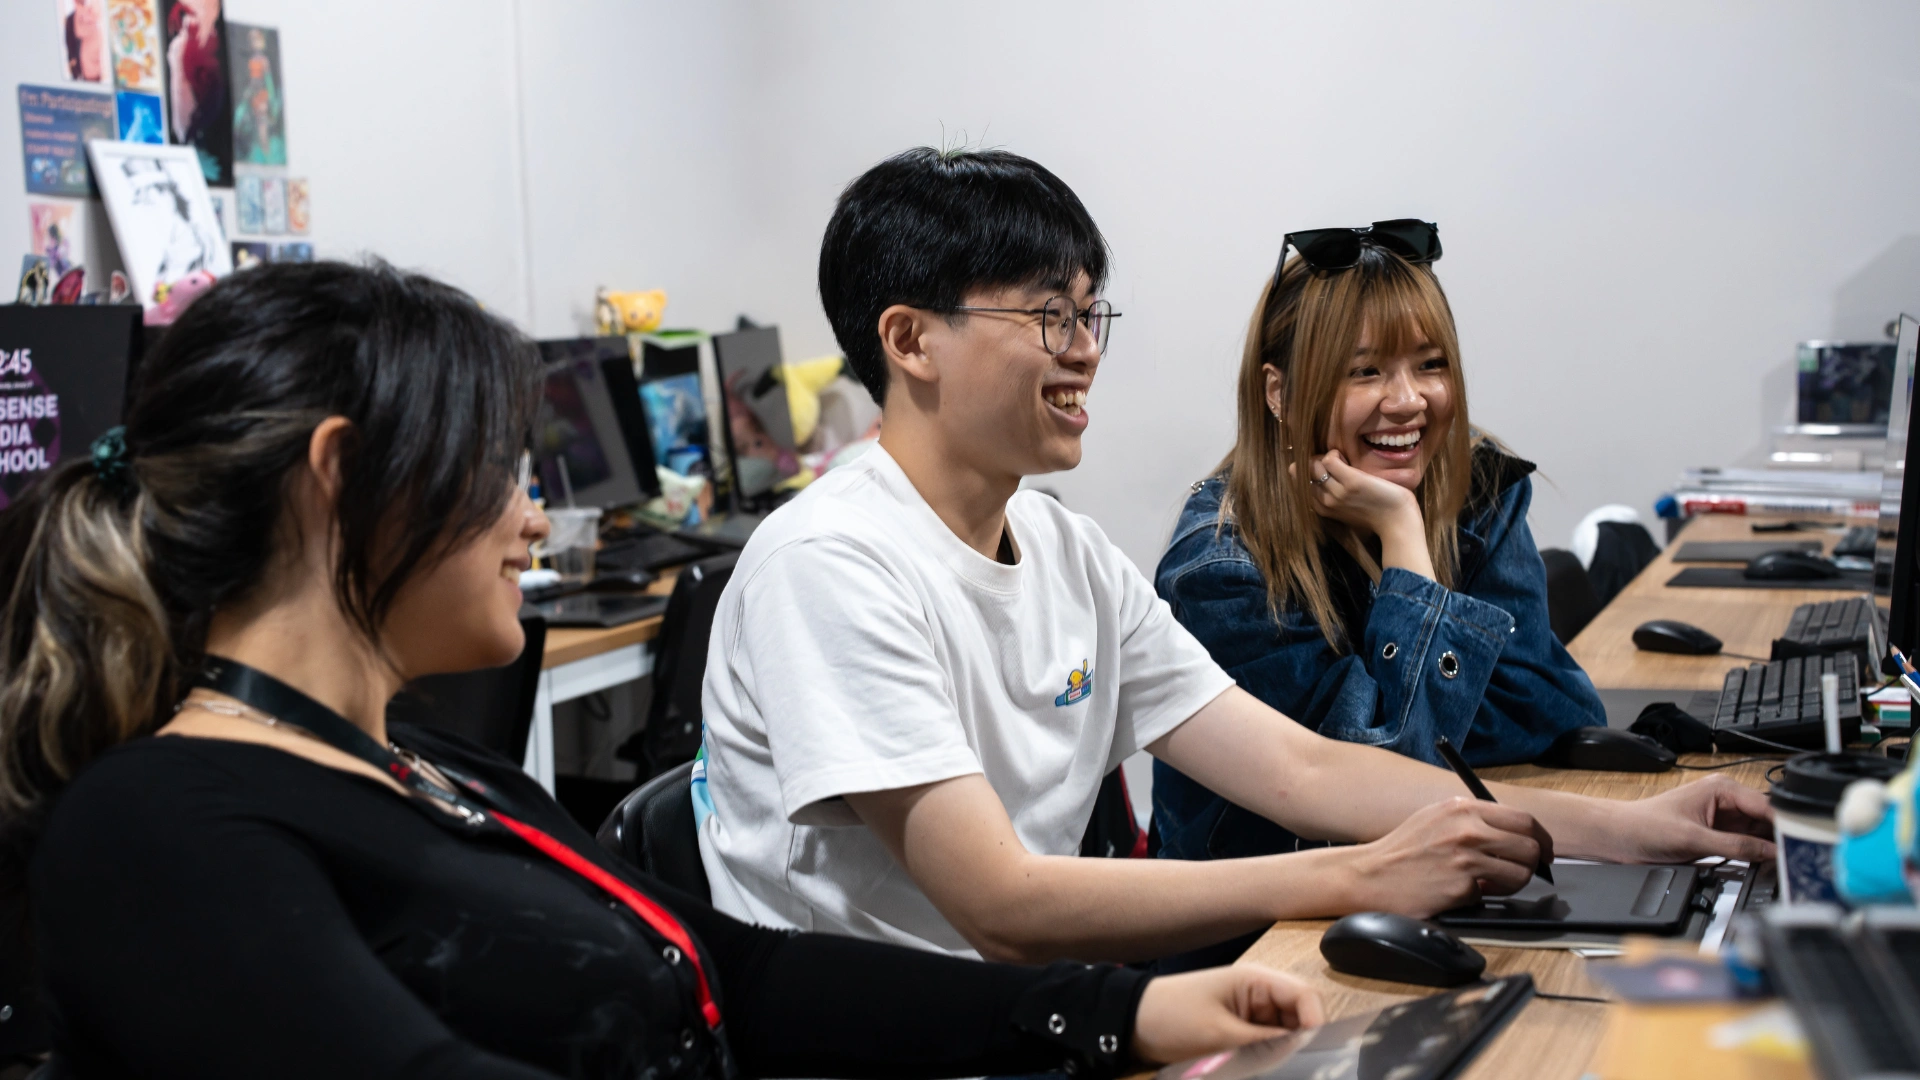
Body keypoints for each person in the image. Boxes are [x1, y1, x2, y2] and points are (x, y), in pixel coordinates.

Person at [0, 261, 1326, 1078]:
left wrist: (1117, 1016)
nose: (533, 516)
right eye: (501, 471)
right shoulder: (160, 829)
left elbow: (732, 973)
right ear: (345, 481)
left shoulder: (424, 765)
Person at [696, 147, 1775, 969]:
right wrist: (1360, 875)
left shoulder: (1067, 551)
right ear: (909, 340)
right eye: (1048, 316)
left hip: (1041, 1010)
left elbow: (1309, 767)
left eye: (1090, 312)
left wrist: (1636, 832)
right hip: (913, 1041)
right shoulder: (831, 562)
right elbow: (1002, 903)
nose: (1085, 349)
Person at [1151, 221, 1607, 863]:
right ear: (1278, 391)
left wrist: (1395, 707)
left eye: (1431, 364)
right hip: (1262, 924)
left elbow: (1555, 707)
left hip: (1434, 874)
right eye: (1364, 371)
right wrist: (1403, 537)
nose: (1408, 400)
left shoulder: (1478, 491)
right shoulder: (1221, 570)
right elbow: (1390, 785)